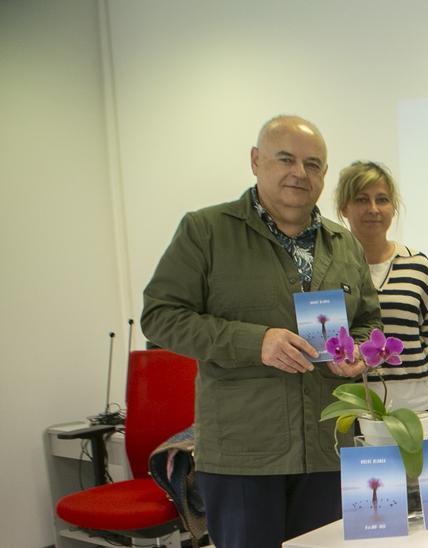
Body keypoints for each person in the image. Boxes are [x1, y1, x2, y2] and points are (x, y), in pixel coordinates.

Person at [140, 115, 381, 547]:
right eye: (285, 159)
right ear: (256, 161)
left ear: (324, 174)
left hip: (327, 449)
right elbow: (160, 317)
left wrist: (361, 349)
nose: (298, 173)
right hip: (244, 457)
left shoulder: (342, 244)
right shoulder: (206, 231)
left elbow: (368, 321)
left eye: (312, 164)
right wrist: (256, 342)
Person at [335, 161, 428, 419]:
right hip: (353, 399)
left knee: (414, 462)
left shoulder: (418, 265)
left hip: (413, 399)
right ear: (344, 207)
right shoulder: (331, 270)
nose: (373, 209)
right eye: (361, 199)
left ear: (393, 207)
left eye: (382, 199)